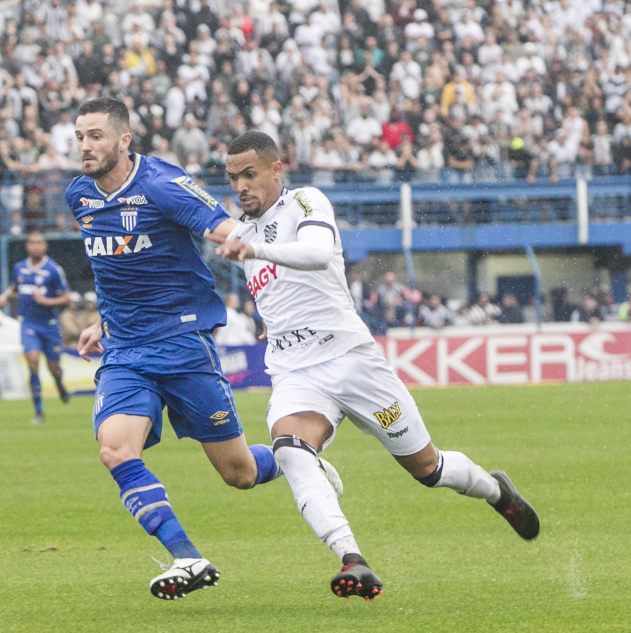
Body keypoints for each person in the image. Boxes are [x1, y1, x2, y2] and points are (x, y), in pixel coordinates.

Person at [215, 131, 538, 602]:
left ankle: (496, 491)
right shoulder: (242, 236)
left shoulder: (306, 202)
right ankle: (353, 560)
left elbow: (318, 255)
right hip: (296, 372)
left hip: (352, 363)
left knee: (428, 469)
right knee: (289, 450)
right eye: (232, 178)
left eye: (249, 174)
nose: (241, 186)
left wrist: (257, 250)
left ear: (276, 169)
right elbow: (277, 292)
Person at [69, 97, 285, 600]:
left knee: (240, 473)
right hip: (124, 351)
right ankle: (186, 556)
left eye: (96, 136)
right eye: (80, 136)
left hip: (182, 345)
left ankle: (298, 457)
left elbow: (228, 229)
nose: (85, 146)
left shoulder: (162, 184)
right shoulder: (79, 195)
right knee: (115, 449)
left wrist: (265, 289)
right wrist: (103, 322)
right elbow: (113, 268)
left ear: (124, 140)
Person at [0, 231, 71, 423]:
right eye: (33, 242)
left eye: (40, 242)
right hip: (29, 323)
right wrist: (5, 296)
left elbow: (66, 298)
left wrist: (47, 301)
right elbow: (15, 288)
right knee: (33, 363)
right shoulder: (19, 268)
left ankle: (59, 383)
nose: (36, 246)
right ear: (27, 246)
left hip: (50, 325)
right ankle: (39, 411)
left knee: (53, 367)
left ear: (45, 246)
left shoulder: (54, 269)